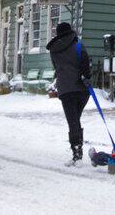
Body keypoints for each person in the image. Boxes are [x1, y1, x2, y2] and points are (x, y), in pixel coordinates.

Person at [47, 21, 91, 164]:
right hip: (82, 90)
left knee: (73, 121)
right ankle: (77, 148)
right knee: (75, 120)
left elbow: (56, 68)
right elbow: (85, 64)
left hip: (66, 90)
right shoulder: (78, 45)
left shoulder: (54, 50)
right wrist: (87, 78)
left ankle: (77, 152)